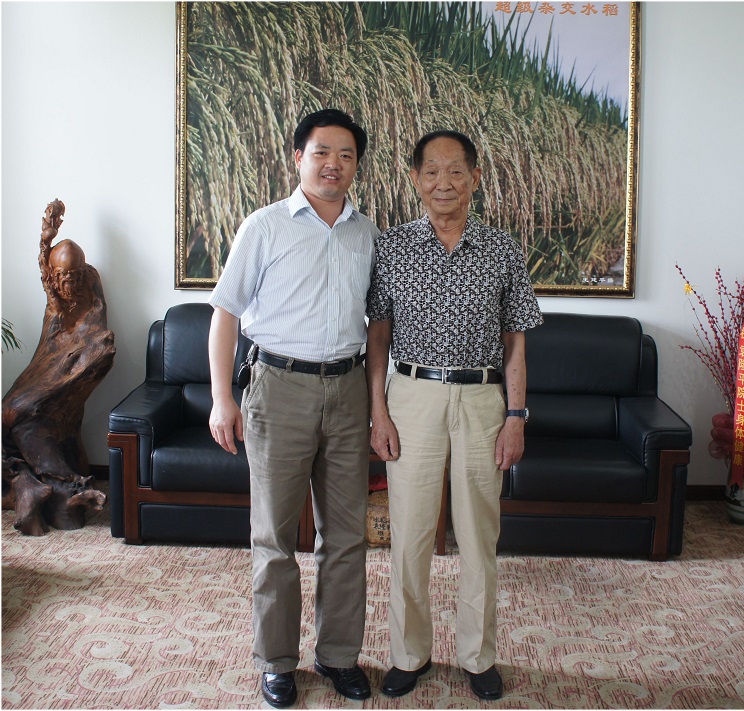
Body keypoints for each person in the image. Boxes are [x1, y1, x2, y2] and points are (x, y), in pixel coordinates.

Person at [207, 109, 378, 709]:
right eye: (322, 152)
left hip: (349, 390)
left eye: (346, 155)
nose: (334, 164)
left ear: (356, 165)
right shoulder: (265, 227)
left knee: (347, 536)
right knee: (275, 537)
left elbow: (376, 323)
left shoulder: (366, 233)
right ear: (298, 157)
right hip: (278, 388)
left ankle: (338, 656)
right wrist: (222, 398)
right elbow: (225, 313)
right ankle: (276, 662)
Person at [366, 130, 542, 701]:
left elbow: (515, 343)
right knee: (410, 534)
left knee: (478, 534)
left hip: (482, 400)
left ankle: (477, 655)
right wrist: (378, 412)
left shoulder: (502, 249)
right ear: (415, 179)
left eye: (456, 171)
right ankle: (408, 654)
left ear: (475, 177)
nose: (444, 182)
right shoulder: (393, 247)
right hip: (411, 396)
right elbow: (377, 339)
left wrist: (516, 415)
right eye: (432, 171)